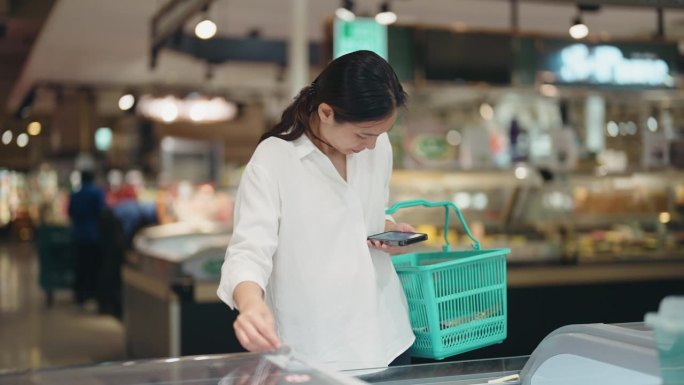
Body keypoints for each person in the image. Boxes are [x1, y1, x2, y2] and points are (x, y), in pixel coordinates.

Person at [217, 50, 417, 370]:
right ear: (326, 112)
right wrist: (250, 304)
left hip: (388, 337)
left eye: (379, 135)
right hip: (317, 352)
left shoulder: (378, 148)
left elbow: (366, 212)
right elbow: (248, 251)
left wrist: (387, 228)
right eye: (364, 134)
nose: (371, 146)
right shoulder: (274, 159)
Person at [67, 169, 106, 306]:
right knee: (93, 266)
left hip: (78, 235)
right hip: (94, 235)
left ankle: (80, 295)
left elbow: (70, 212)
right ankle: (92, 294)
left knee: (80, 266)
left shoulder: (75, 194)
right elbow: (102, 212)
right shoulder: (97, 193)